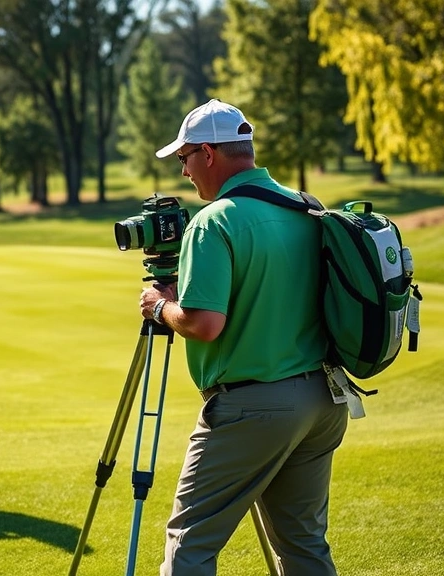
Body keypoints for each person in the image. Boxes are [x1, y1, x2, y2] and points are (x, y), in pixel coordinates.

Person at [138, 100, 348, 575]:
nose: (185, 171)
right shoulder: (304, 205)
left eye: (184, 158)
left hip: (254, 407)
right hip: (324, 400)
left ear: (208, 154)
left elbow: (205, 323)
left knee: (189, 544)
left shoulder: (214, 221)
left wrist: (160, 307)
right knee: (303, 545)